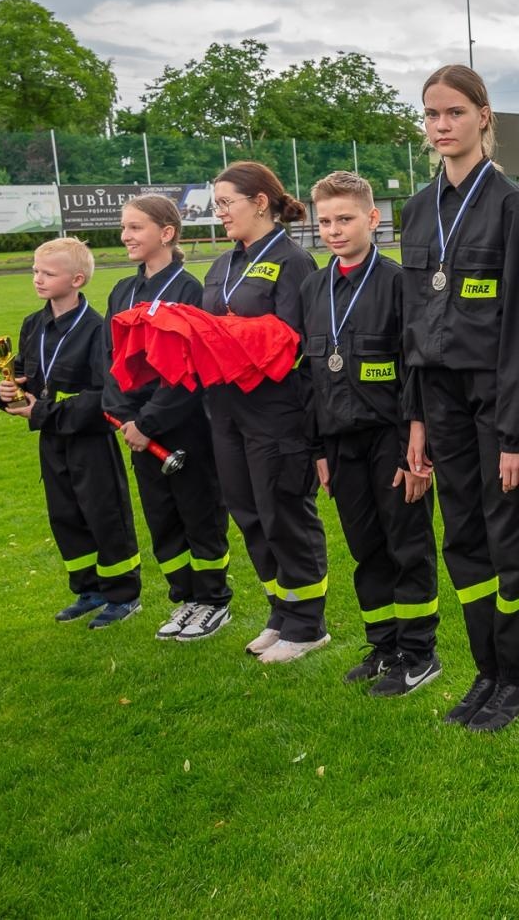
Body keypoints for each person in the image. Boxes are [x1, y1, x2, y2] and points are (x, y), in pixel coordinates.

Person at [402, 65, 519, 731]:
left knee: (508, 534)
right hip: (441, 397)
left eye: (454, 112)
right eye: (431, 114)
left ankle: (518, 679)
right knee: (462, 535)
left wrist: (517, 431)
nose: (441, 125)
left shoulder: (512, 206)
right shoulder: (415, 208)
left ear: (484, 117)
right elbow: (411, 318)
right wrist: (416, 417)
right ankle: (485, 670)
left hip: (496, 399)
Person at [299, 171, 440, 696]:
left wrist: (416, 448)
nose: (333, 230)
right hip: (339, 443)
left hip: (392, 440)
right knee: (366, 550)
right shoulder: (314, 287)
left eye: (345, 219)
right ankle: (384, 645)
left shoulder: (400, 283)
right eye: (326, 221)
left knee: (408, 546)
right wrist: (318, 448)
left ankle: (421, 652)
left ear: (373, 219)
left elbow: (417, 369)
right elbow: (309, 376)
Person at [202, 161, 331, 664]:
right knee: (248, 511)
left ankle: (308, 624)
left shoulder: (294, 262)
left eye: (226, 203)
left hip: (277, 410)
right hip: (226, 409)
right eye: (216, 205)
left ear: (260, 202)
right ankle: (281, 611)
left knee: (283, 513)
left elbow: (297, 341)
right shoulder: (222, 264)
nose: (220, 214)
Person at [104, 195, 233, 641]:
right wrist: (124, 420)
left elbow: (190, 371)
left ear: (166, 233)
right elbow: (112, 361)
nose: (126, 236)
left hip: (182, 428)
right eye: (124, 227)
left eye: (136, 227)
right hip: (136, 430)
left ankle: (213, 601)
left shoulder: (189, 290)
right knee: (161, 517)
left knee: (199, 514)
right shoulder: (122, 291)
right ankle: (185, 600)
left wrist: (149, 423)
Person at [0, 238, 142, 629]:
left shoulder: (98, 328)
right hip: (52, 438)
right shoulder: (33, 324)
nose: (38, 279)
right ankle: (88, 590)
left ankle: (123, 595)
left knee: (104, 515)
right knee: (65, 515)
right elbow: (25, 373)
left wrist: (44, 410)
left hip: (90, 438)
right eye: (35, 271)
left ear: (77, 279)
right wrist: (5, 391)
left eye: (48, 273)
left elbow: (103, 395)